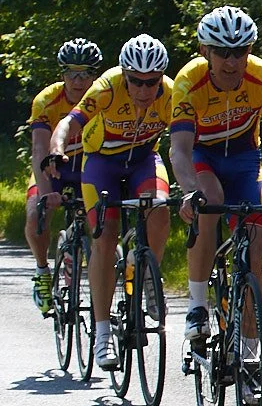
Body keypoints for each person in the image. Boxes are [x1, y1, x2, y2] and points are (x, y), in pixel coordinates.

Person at [170, 6, 262, 392]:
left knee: (255, 250)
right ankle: (198, 304)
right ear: (205, 52)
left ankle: (248, 354)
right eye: (222, 53)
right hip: (204, 157)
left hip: (245, 161)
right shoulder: (189, 82)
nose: (232, 62)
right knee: (209, 199)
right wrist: (188, 191)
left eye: (240, 52)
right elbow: (179, 150)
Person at [47, 36, 174, 371]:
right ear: (124, 75)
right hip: (102, 163)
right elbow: (69, 122)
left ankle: (145, 270)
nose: (144, 89)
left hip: (144, 160)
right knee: (104, 239)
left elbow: (190, 135)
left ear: (161, 77)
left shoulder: (171, 94)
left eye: (151, 82)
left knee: (160, 208)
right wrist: (57, 149)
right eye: (136, 81)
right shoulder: (106, 86)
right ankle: (102, 333)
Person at [26, 39, 103, 314]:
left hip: (89, 165)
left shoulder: (104, 97)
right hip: (53, 166)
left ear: (95, 75)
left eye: (85, 73)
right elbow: (39, 149)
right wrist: (47, 192)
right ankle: (42, 272)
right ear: (62, 74)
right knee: (35, 212)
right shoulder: (47, 100)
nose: (78, 81)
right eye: (71, 73)